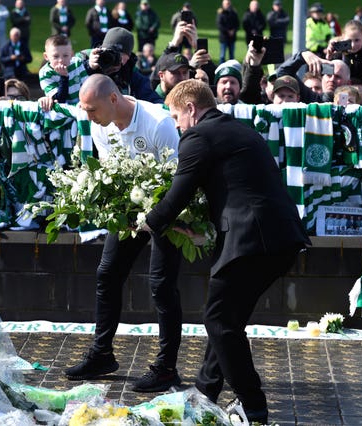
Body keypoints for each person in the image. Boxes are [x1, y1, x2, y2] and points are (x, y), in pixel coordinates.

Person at [142, 79, 310, 425]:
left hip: (253, 241)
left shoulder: (198, 136)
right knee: (226, 321)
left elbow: (179, 192)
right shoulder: (236, 129)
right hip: (278, 237)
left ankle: (253, 406)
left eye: (176, 116)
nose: (176, 125)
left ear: (191, 108)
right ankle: (205, 394)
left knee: (218, 320)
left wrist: (147, 221)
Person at [64, 74, 183, 393]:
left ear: (113, 99)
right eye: (85, 110)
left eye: (92, 109)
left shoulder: (158, 124)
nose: (88, 116)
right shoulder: (99, 125)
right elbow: (113, 175)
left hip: (169, 209)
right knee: (107, 273)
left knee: (161, 285)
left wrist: (154, 218)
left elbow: (178, 182)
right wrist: (122, 212)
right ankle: (102, 354)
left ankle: (166, 368)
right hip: (132, 206)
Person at [83, 27, 163, 104]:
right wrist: (89, 67)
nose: (114, 59)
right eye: (110, 53)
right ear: (101, 50)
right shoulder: (84, 60)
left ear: (128, 57)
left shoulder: (131, 72)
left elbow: (152, 98)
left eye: (119, 56)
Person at [38, 34, 87, 105]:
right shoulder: (45, 73)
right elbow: (60, 100)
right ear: (46, 56)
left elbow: (87, 87)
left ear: (71, 54)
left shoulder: (77, 63)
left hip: (82, 105)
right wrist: (64, 77)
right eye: (56, 56)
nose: (61, 60)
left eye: (65, 55)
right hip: (62, 111)